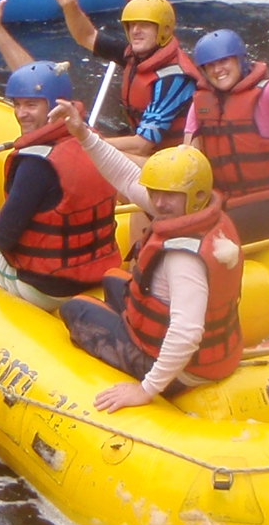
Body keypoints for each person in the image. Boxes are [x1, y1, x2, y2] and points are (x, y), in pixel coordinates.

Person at [53, 133, 246, 410]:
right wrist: (84, 136)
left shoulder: (183, 259)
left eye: (168, 195)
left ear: (197, 195)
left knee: (75, 309)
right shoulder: (198, 212)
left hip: (184, 370)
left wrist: (146, 390)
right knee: (112, 279)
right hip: (208, 351)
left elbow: (186, 332)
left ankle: (142, 354)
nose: (158, 202)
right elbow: (128, 178)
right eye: (155, 192)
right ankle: (135, 326)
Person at [0, 63, 125, 310]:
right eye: (17, 104)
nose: (21, 113)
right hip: (98, 272)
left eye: (31, 105)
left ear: (56, 106)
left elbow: (2, 239)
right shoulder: (93, 141)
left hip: (45, 286)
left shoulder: (36, 164)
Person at [37, 0, 192, 153]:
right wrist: (70, 6)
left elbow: (142, 145)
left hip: (170, 161)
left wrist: (83, 143)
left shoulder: (174, 78)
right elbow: (86, 36)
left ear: (164, 29)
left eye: (145, 25)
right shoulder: (134, 54)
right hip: (148, 150)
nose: (135, 31)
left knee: (82, 155)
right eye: (131, 25)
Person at [180, 28, 269, 243]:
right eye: (210, 65)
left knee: (197, 239)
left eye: (224, 61)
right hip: (227, 204)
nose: (217, 70)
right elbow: (189, 160)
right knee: (171, 227)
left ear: (240, 60)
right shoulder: (201, 105)